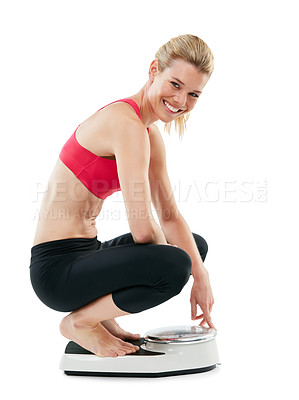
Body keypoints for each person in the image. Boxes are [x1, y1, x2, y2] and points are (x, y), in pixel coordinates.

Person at [29, 34, 216, 358]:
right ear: (153, 69)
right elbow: (143, 229)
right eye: (175, 84)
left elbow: (169, 215)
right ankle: (82, 322)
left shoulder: (149, 133)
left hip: (87, 253)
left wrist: (201, 275)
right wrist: (178, 267)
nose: (181, 101)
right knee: (175, 264)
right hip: (56, 271)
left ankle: (101, 318)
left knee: (193, 249)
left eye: (193, 94)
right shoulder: (125, 124)